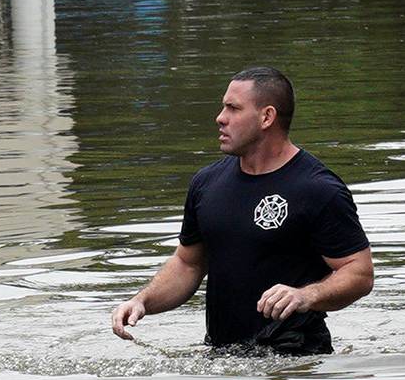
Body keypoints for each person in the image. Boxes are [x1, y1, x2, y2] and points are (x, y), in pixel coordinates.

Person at [110, 64, 373, 355]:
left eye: (233, 109)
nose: (220, 118)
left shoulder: (317, 189)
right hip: (222, 355)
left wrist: (305, 295)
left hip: (295, 361)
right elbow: (188, 263)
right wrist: (142, 301)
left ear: (267, 117)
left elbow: (359, 273)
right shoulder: (207, 184)